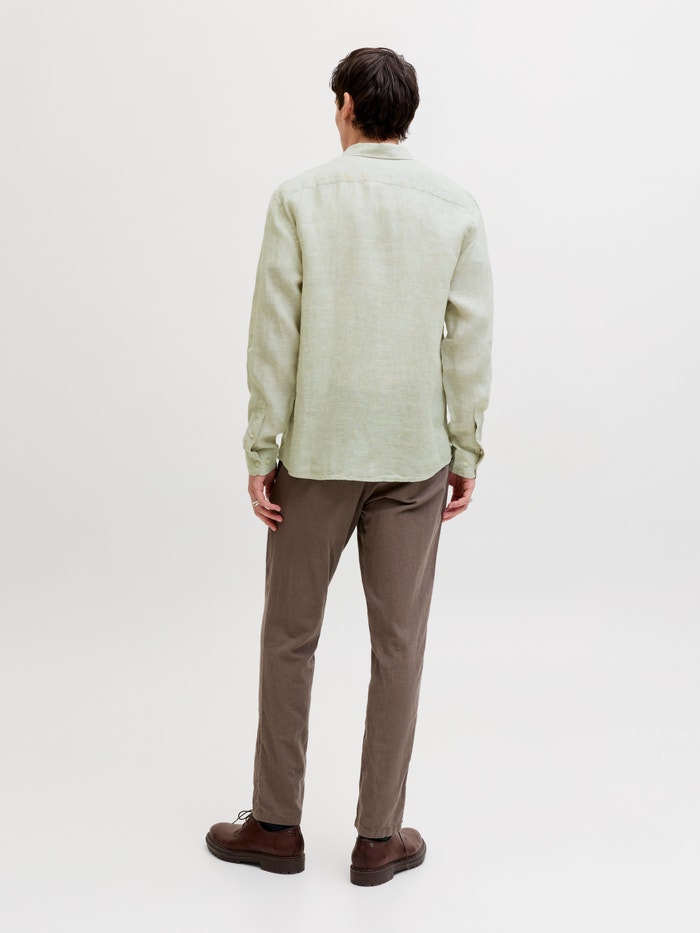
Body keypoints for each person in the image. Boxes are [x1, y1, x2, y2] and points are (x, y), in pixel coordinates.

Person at [206, 47, 493, 886]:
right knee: (399, 644)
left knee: (289, 635)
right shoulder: (455, 207)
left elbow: (274, 335)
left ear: (344, 105)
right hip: (414, 457)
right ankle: (378, 838)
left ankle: (275, 824)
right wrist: (466, 447)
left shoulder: (299, 198)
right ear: (407, 114)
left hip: (317, 454)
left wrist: (263, 449)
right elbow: (469, 343)